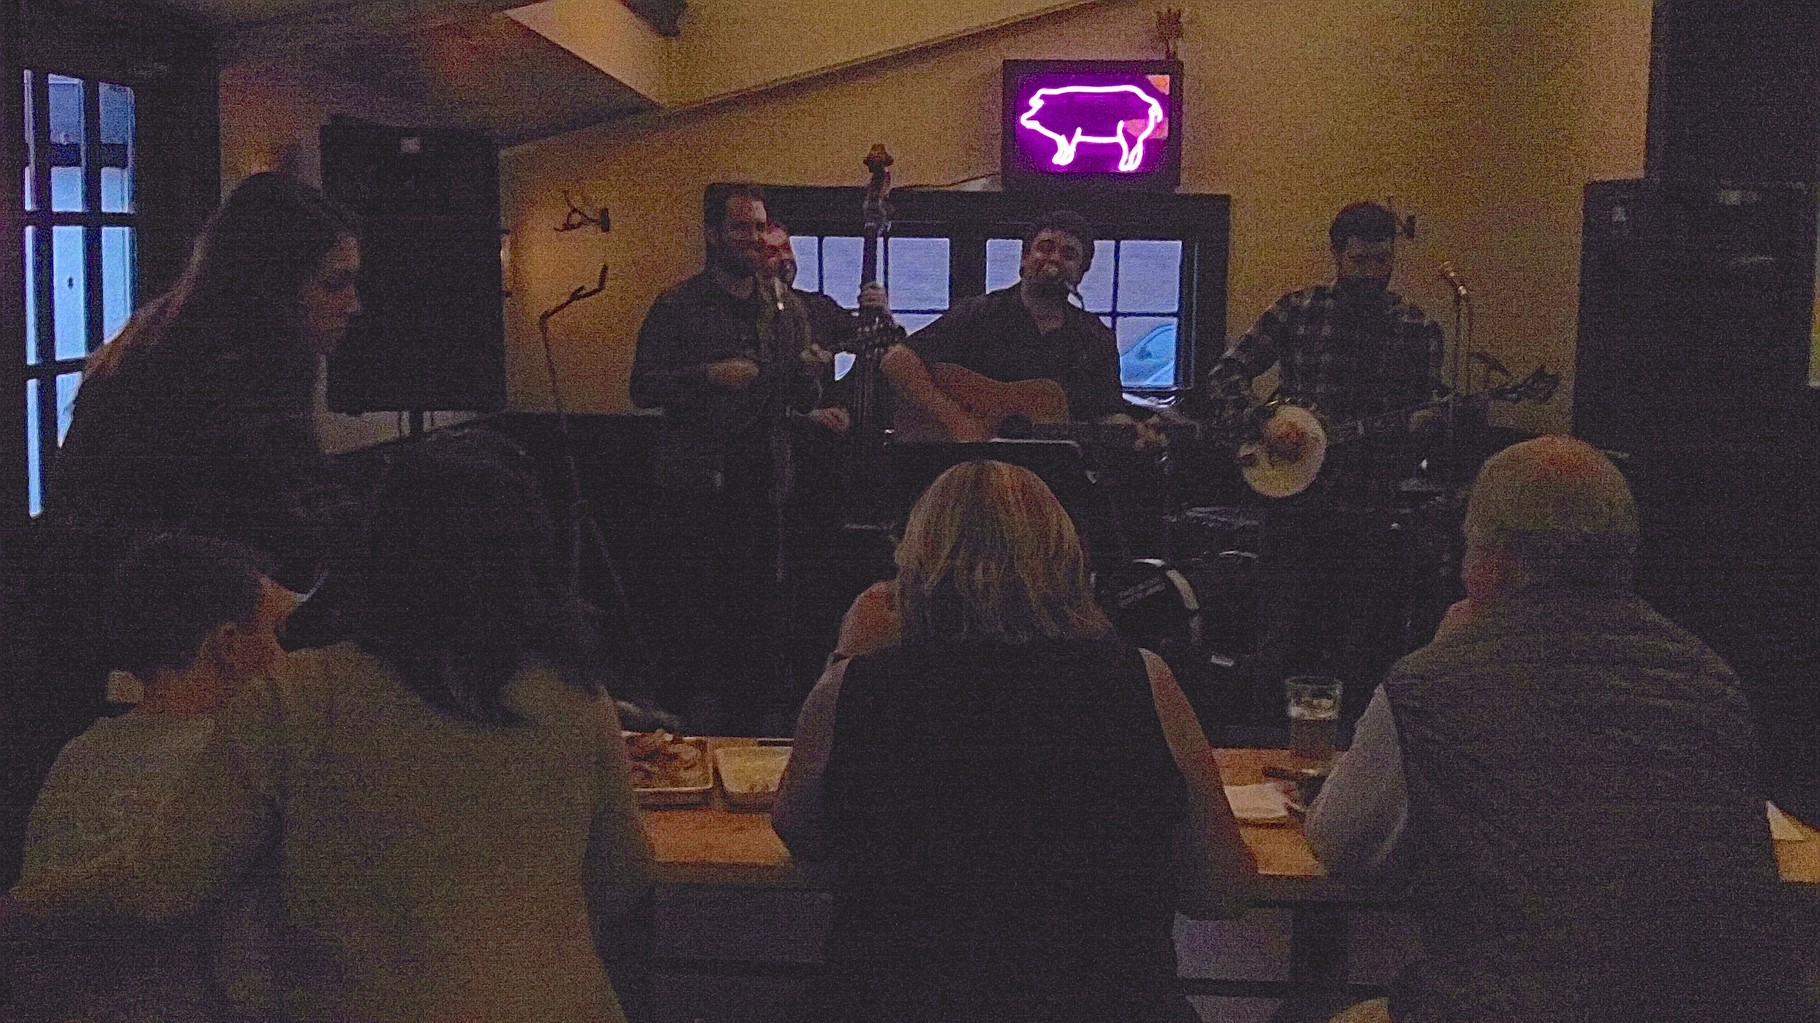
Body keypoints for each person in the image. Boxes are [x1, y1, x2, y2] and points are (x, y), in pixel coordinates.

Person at [3, 431, 656, 1023]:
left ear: (381, 551)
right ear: (528, 565)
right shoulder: (577, 696)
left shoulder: (298, 697)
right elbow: (622, 876)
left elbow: (161, 884)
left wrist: (20, 906)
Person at [1305, 436, 1813, 1023]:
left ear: (1491, 565)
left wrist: (1448, 654)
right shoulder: (1711, 679)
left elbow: (1341, 842)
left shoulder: (1433, 684)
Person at [773, 460, 1257, 1023]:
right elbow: (1220, 891)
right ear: (1067, 558)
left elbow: (805, 835)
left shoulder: (856, 687)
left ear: (913, 561)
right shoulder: (1141, 680)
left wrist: (848, 655)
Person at [5, 534, 294, 1023]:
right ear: (229, 646)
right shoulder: (244, 769)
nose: (291, 661)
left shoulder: (78, 759)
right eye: (281, 634)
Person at [1203, 202, 1448, 724]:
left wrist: (1416, 429)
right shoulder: (1299, 311)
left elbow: (1422, 417)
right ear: (1338, 256)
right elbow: (1225, 374)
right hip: (1291, 504)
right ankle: (1261, 743)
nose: (1370, 273)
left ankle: (1351, 758)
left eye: (1381, 262)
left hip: (1368, 508)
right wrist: (1265, 422)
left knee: (1360, 649)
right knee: (1280, 637)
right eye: (1359, 261)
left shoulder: (1415, 327)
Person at [630, 185, 855, 734]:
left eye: (759, 228)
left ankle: (754, 734)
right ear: (712, 235)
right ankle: (692, 730)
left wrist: (811, 370)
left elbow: (800, 400)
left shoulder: (786, 306)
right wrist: (708, 376)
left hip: (768, 483)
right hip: (696, 484)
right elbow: (641, 387)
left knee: (762, 614)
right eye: (741, 229)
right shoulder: (677, 306)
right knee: (695, 613)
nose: (754, 239)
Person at [881, 210, 1134, 441]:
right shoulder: (979, 313)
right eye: (1045, 248)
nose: (1054, 259)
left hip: (1053, 470)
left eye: (1069, 254)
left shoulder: (1094, 338)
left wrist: (1132, 432)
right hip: (971, 465)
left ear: (1081, 272)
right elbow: (897, 360)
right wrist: (958, 421)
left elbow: (1108, 412)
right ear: (1024, 260)